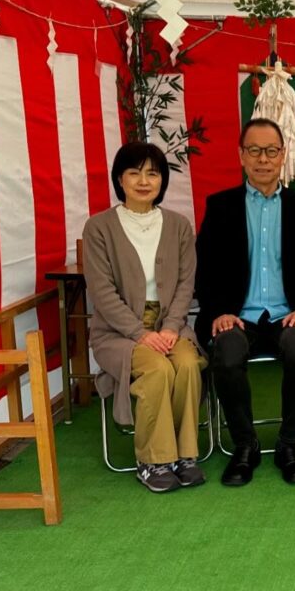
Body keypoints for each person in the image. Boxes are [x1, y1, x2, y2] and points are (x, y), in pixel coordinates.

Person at [195, 119, 295, 487]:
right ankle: (244, 446)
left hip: (287, 314)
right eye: (254, 150)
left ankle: (289, 445)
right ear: (241, 156)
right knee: (227, 353)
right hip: (237, 315)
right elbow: (206, 269)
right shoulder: (221, 207)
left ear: (283, 156)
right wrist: (218, 312)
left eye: (271, 151)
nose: (263, 159)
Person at [83, 142, 206, 493]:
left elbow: (186, 283)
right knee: (156, 368)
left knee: (185, 364)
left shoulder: (179, 226)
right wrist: (139, 332)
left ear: (162, 181)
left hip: (172, 325)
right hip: (118, 332)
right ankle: (153, 460)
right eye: (134, 172)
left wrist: (169, 327)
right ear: (119, 179)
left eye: (153, 173)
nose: (143, 181)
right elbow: (102, 292)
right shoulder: (98, 228)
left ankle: (185, 455)